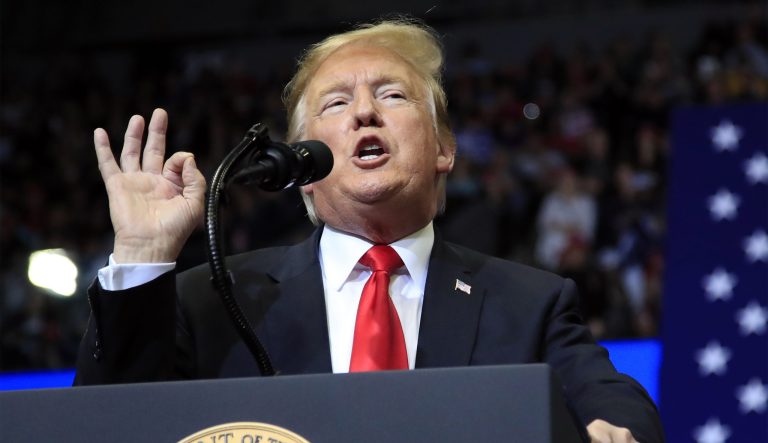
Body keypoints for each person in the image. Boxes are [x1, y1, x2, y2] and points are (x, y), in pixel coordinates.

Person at [75, 19, 664, 443]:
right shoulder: (212, 301)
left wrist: (617, 432)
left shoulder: (530, 302)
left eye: (392, 94)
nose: (364, 112)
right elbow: (104, 426)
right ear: (302, 169)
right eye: (335, 104)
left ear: (444, 150)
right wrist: (144, 254)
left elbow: (615, 402)